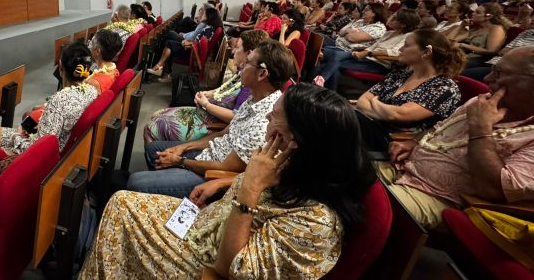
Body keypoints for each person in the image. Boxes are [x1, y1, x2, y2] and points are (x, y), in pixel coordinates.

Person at [79, 84, 375, 280]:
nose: (268, 118)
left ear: (295, 139)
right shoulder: (291, 162)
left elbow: (231, 268)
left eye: (276, 117)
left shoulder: (316, 223)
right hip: (208, 225)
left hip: (208, 262)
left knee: (122, 207)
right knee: (121, 201)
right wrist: (222, 185)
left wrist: (247, 190)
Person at [378, 47, 534, 229]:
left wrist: (480, 128)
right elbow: (440, 128)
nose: (487, 79)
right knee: (340, 174)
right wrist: (413, 142)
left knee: (358, 204)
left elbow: (494, 191)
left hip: (440, 198)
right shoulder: (482, 101)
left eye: (498, 73)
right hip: (403, 168)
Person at [129, 40, 295, 199]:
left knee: (136, 183)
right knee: (153, 149)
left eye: (248, 62)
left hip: (213, 174)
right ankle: (163, 190)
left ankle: (164, 194)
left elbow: (226, 168)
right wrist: (183, 147)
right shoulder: (255, 98)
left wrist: (180, 160)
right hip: (209, 154)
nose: (242, 65)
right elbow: (223, 133)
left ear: (262, 74)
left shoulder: (266, 121)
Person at [0, 42, 98, 160]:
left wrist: (16, 136)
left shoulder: (59, 100)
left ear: (61, 66)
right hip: (64, 147)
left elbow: (39, 150)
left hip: (44, 157)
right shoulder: (92, 91)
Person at [143, 30, 269, 143]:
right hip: (203, 114)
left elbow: (235, 116)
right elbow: (225, 89)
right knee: (158, 114)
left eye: (237, 47)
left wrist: (206, 104)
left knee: (150, 129)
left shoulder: (250, 84)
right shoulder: (242, 72)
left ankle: (161, 161)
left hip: (210, 124)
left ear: (249, 53)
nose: (233, 51)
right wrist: (208, 94)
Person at [355, 29, 464, 150]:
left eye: (406, 45)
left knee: (340, 120)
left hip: (396, 142)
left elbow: (398, 115)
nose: (400, 49)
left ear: (426, 52)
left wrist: (375, 102)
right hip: (371, 126)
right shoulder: (401, 74)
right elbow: (362, 101)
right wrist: (385, 112)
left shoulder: (444, 87)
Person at [316, 3, 387, 90]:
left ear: (375, 13)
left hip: (353, 53)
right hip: (340, 46)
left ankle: (320, 83)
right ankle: (325, 90)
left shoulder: (378, 28)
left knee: (325, 56)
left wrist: (349, 32)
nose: (363, 11)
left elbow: (351, 38)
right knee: (320, 47)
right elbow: (342, 32)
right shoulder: (360, 21)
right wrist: (350, 31)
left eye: (367, 9)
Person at [338, 8, 421, 79]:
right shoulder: (389, 33)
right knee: (334, 59)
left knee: (336, 63)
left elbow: (396, 53)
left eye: (394, 18)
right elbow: (372, 47)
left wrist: (368, 53)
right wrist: (361, 53)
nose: (390, 18)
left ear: (403, 24)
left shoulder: (408, 36)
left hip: (379, 65)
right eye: (392, 16)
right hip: (367, 59)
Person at [147, 7, 222, 81]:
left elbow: (199, 44)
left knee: (169, 43)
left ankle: (160, 67)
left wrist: (186, 42)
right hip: (192, 50)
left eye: (204, 14)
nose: (202, 15)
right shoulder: (209, 28)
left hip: (192, 53)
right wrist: (186, 41)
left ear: (209, 17)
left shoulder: (208, 30)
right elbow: (197, 41)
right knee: (169, 42)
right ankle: (162, 68)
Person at [452, 3, 509, 69]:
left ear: (488, 16)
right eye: (474, 11)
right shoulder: (476, 29)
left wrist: (462, 45)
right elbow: (450, 40)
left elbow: (491, 51)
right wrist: (461, 26)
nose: (473, 14)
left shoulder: (496, 28)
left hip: (480, 61)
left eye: (478, 12)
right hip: (466, 57)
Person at [462, 28, 534, 80]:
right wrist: (515, 52)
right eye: (532, 17)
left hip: (504, 69)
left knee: (461, 74)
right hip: (491, 61)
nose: (532, 19)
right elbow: (502, 51)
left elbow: (526, 58)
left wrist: (512, 52)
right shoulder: (526, 32)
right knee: (455, 66)